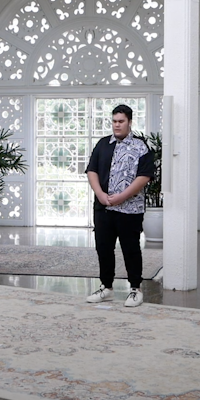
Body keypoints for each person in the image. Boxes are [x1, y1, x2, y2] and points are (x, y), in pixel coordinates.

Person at [85, 104, 154, 307]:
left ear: (129, 122)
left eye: (121, 121)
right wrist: (100, 194)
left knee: (130, 249)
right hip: (104, 208)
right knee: (103, 248)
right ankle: (106, 287)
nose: (117, 125)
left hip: (129, 210)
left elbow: (144, 176)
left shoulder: (141, 146)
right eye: (114, 121)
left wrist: (122, 196)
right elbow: (92, 171)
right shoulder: (102, 144)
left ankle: (135, 289)